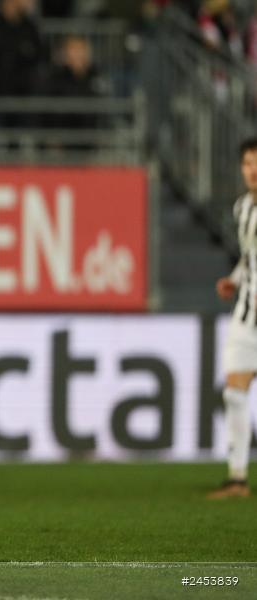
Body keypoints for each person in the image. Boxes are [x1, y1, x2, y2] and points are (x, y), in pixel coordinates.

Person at [212, 136, 257, 499]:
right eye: (247, 163)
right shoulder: (242, 208)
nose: (253, 170)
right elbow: (249, 256)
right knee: (234, 394)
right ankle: (237, 478)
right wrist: (235, 279)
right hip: (246, 315)